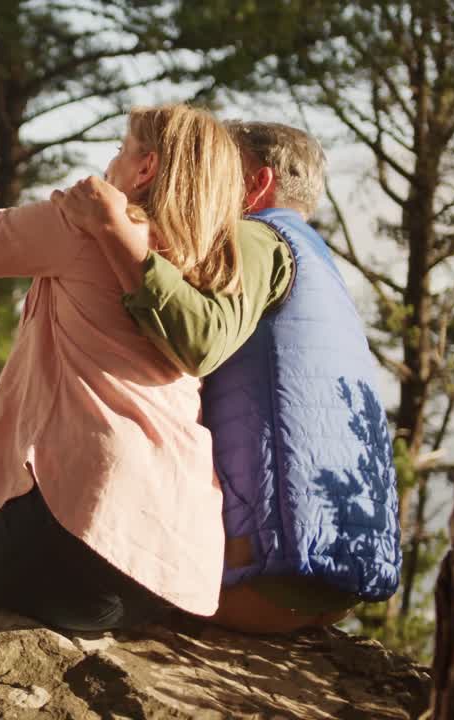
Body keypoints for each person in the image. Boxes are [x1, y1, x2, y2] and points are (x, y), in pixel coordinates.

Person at [0, 97, 245, 631]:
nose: (109, 164)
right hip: (168, 569)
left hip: (75, 548)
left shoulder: (87, 226)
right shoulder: (211, 266)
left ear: (146, 168)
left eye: (121, 150)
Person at [52, 121, 401, 633]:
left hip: (260, 580)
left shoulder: (258, 238)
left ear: (255, 186)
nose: (201, 183)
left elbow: (203, 339)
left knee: (33, 548)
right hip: (327, 580)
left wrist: (115, 232)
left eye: (218, 172)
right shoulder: (319, 266)